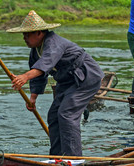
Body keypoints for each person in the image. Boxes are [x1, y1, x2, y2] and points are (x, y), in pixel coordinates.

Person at [8, 10, 104, 157]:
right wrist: (33, 98)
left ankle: (73, 159)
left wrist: (24, 77)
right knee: (53, 115)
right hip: (66, 81)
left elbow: (44, 65)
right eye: (23, 35)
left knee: (67, 114)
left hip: (86, 78)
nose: (24, 38)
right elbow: (39, 75)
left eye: (27, 35)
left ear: (39, 33)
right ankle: (57, 157)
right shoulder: (35, 51)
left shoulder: (54, 43)